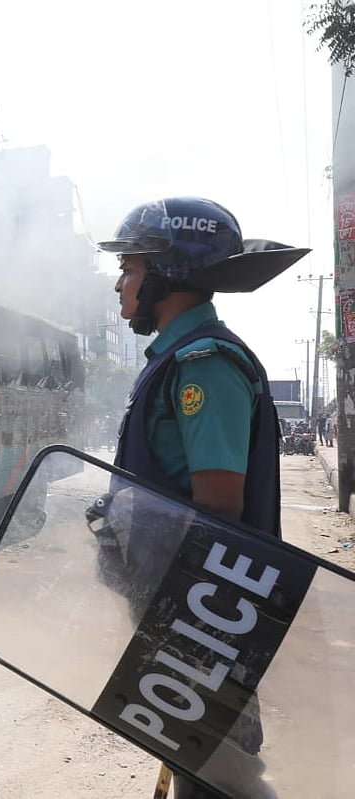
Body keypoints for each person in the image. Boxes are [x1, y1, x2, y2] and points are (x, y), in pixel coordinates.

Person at [100, 197, 309, 799]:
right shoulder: (174, 358)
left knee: (221, 777)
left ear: (168, 274)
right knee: (201, 769)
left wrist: (188, 639)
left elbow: (219, 505)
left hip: (203, 615)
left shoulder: (204, 364)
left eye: (130, 268)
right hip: (184, 609)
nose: (120, 283)